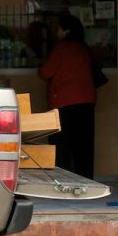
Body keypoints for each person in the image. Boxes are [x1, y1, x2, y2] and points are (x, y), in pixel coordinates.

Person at [38, 13, 97, 178]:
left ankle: (64, 181)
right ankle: (86, 181)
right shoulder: (84, 48)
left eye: (59, 29)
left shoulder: (61, 49)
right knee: (84, 146)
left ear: (66, 31)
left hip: (64, 103)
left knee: (62, 146)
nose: (57, 32)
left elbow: (45, 72)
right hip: (86, 102)